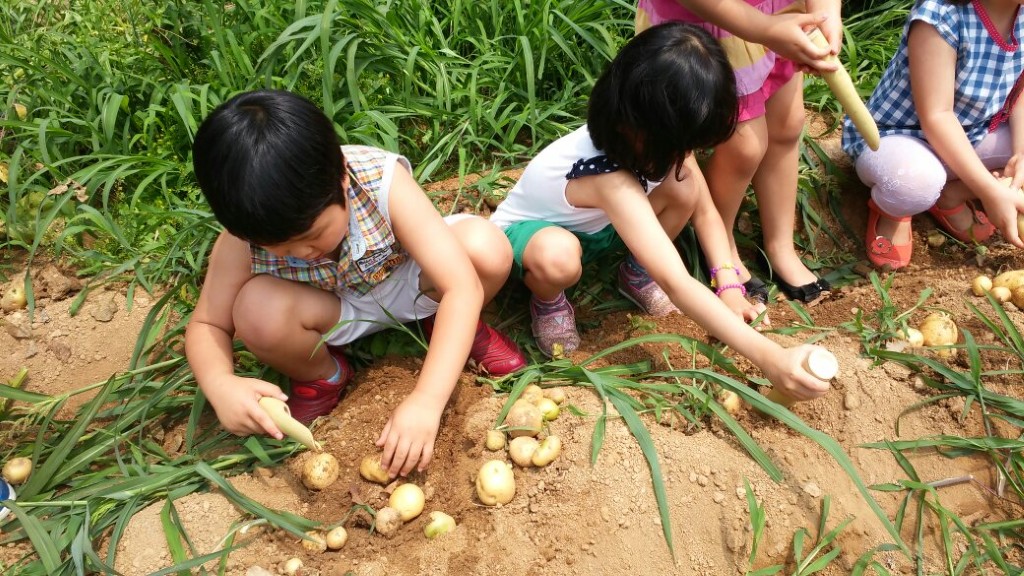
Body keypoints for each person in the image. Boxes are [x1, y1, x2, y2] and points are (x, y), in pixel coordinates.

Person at [186, 90, 527, 477]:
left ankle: (450, 326)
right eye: (280, 248)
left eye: (313, 235)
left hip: (410, 279)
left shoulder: (379, 180)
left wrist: (427, 401)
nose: (302, 252)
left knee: (486, 249)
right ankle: (322, 376)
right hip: (330, 309)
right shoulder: (241, 240)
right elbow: (207, 325)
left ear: (343, 179)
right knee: (255, 311)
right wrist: (219, 384)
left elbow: (461, 285)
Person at [489, 22, 831, 402]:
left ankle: (635, 272)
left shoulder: (658, 139)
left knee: (684, 186)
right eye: (685, 144)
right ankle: (548, 300)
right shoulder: (610, 179)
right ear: (639, 126)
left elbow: (705, 212)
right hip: (533, 235)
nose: (687, 154)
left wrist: (730, 286)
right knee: (558, 259)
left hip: (599, 227)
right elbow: (677, 283)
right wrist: (772, 359)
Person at [636, 0, 845, 303]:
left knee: (786, 124)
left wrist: (826, 13)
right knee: (744, 146)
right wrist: (765, 29)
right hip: (714, 26)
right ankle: (720, 242)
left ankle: (780, 246)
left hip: (781, 14)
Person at [842, 0, 1024, 269]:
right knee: (911, 184)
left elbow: (1020, 94)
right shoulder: (941, 14)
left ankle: (950, 194)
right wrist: (987, 189)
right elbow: (937, 115)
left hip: (972, 133)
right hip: (900, 138)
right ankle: (893, 213)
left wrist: (1020, 153)